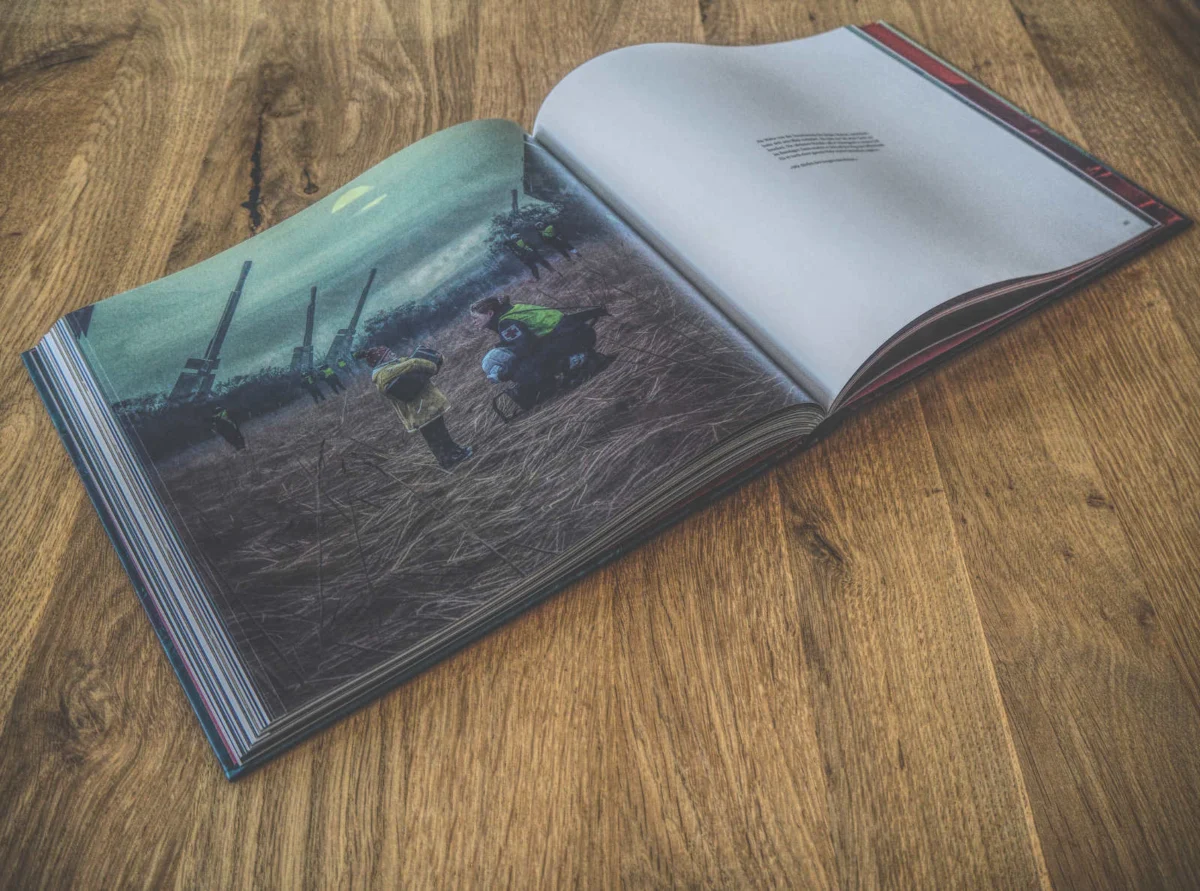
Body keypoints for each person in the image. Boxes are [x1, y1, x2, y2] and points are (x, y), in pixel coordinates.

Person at [354, 345, 473, 470]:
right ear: (382, 359)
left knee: (441, 432)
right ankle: (448, 459)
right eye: (388, 353)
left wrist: (435, 358)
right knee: (435, 437)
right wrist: (431, 365)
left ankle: (454, 452)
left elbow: (415, 362)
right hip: (419, 410)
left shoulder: (396, 365)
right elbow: (413, 363)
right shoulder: (383, 374)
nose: (393, 354)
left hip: (427, 405)